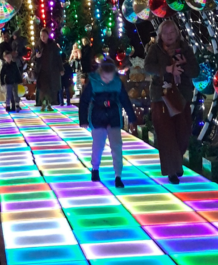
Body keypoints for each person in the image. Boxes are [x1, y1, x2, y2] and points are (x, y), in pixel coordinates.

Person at [144, 19, 199, 184]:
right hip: (160, 97)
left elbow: (195, 71)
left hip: (181, 97)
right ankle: (172, 170)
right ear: (160, 35)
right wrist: (167, 69)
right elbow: (148, 67)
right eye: (166, 33)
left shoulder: (185, 49)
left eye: (172, 32)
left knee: (183, 133)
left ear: (177, 33)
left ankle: (176, 161)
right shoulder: (155, 49)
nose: (169, 36)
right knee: (166, 134)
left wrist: (183, 65)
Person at [79, 59, 137, 188]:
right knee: (98, 145)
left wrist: (132, 118)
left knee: (117, 146)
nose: (107, 81)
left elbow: (125, 101)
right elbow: (84, 101)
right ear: (100, 73)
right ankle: (95, 169)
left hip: (114, 117)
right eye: (105, 78)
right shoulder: (93, 82)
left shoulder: (117, 83)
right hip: (98, 116)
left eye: (110, 78)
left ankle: (118, 175)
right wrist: (83, 120)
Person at [34, 30, 63, 111]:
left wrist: (61, 69)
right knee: (43, 89)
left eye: (44, 35)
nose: (42, 37)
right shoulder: (38, 45)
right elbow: (33, 58)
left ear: (48, 36)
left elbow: (58, 58)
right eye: (41, 36)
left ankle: (49, 103)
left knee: (50, 88)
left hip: (52, 71)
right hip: (41, 71)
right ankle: (43, 103)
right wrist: (37, 57)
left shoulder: (53, 45)